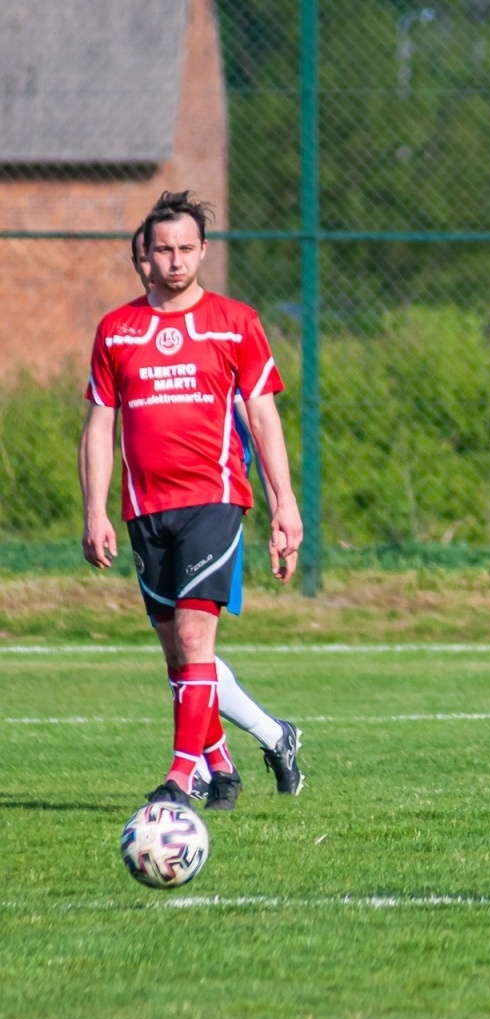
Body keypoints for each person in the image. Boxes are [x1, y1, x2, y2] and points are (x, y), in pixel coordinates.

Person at [81, 191, 303, 810]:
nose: (176, 261)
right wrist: (95, 509)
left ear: (203, 251)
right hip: (144, 509)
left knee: (196, 639)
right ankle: (227, 761)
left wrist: (284, 503)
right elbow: (100, 424)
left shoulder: (236, 322)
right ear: (145, 257)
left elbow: (263, 415)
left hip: (214, 498)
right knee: (178, 654)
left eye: (186, 249)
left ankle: (182, 777)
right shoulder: (117, 331)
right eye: (163, 250)